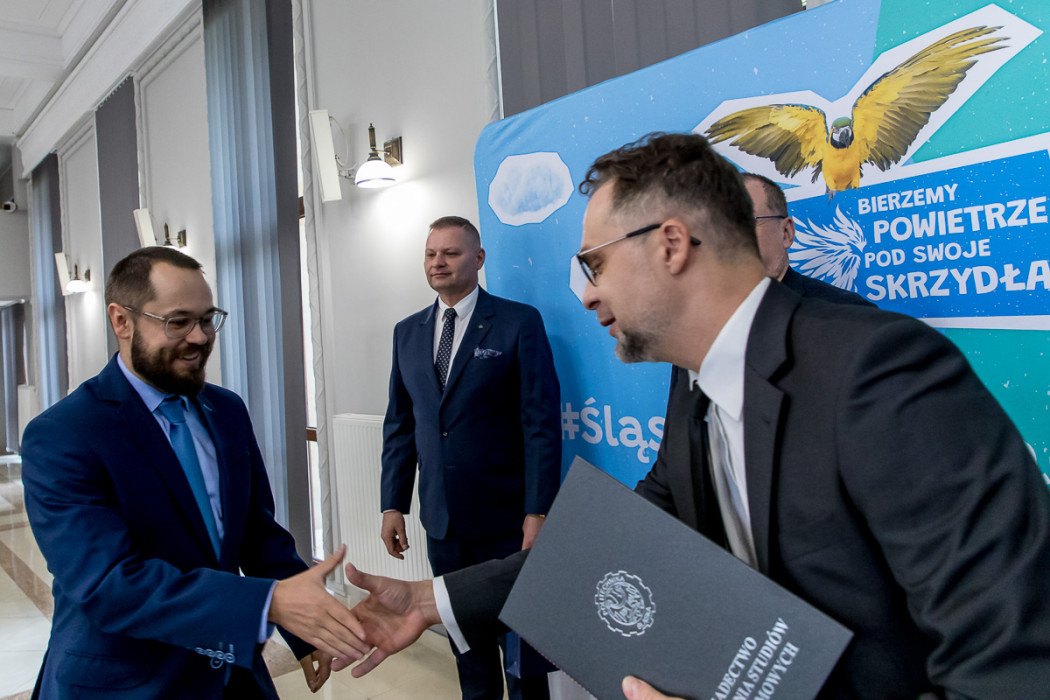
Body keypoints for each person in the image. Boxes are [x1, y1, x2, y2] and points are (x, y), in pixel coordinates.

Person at [342, 134, 1050, 700]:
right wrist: (433, 601)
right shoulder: (695, 386)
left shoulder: (879, 371)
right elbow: (615, 539)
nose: (587, 296)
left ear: (672, 245)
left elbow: (1013, 664)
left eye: (595, 265)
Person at [21, 247, 369, 699]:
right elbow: (109, 585)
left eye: (207, 319)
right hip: (126, 683)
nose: (200, 337)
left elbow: (257, 535)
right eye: (178, 322)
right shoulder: (64, 434)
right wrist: (268, 603)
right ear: (121, 321)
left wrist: (306, 632)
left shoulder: (226, 410)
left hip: (231, 674)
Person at [380, 216, 561, 699]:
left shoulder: (518, 322)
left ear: (478, 259)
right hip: (443, 525)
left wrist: (538, 511)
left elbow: (540, 424)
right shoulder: (406, 332)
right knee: (468, 651)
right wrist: (392, 503)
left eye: (451, 253)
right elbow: (401, 425)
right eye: (430, 253)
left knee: (522, 657)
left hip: (507, 521)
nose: (437, 262)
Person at [743, 172, 873, 306]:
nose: (733, 238)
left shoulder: (849, 311)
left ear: (786, 233)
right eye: (728, 228)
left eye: (745, 221)